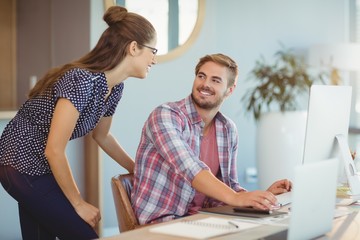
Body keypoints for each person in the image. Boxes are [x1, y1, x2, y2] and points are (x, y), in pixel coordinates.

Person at [0, 6, 157, 240]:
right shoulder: (81, 80)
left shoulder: (114, 88)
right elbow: (54, 150)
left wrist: (137, 169)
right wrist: (79, 203)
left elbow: (102, 136)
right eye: (153, 50)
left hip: (40, 166)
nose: (154, 59)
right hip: (20, 164)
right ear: (134, 48)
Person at [131, 53, 292, 224]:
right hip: (161, 222)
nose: (205, 84)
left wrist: (262, 197)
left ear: (230, 89)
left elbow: (229, 189)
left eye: (215, 80)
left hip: (206, 220)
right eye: (201, 76)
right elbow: (190, 168)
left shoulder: (227, 129)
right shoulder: (165, 115)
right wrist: (236, 197)